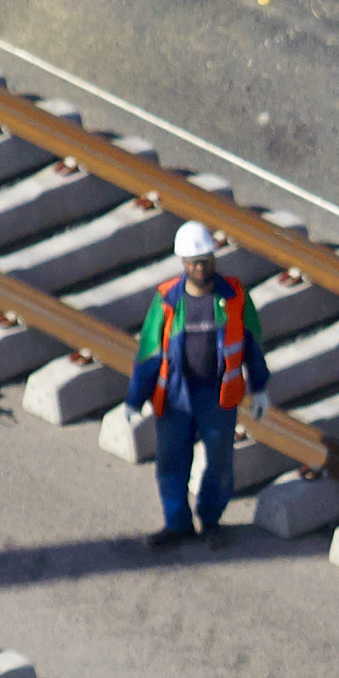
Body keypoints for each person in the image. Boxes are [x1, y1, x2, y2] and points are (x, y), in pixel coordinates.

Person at [134, 220, 264, 547]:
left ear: (213, 259)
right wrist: (135, 397)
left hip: (217, 398)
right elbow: (149, 350)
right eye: (193, 262)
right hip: (176, 397)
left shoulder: (233, 296)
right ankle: (177, 524)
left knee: (219, 465)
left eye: (205, 260)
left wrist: (260, 386)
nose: (200, 267)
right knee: (171, 462)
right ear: (182, 263)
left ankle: (210, 522)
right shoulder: (167, 299)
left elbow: (252, 343)